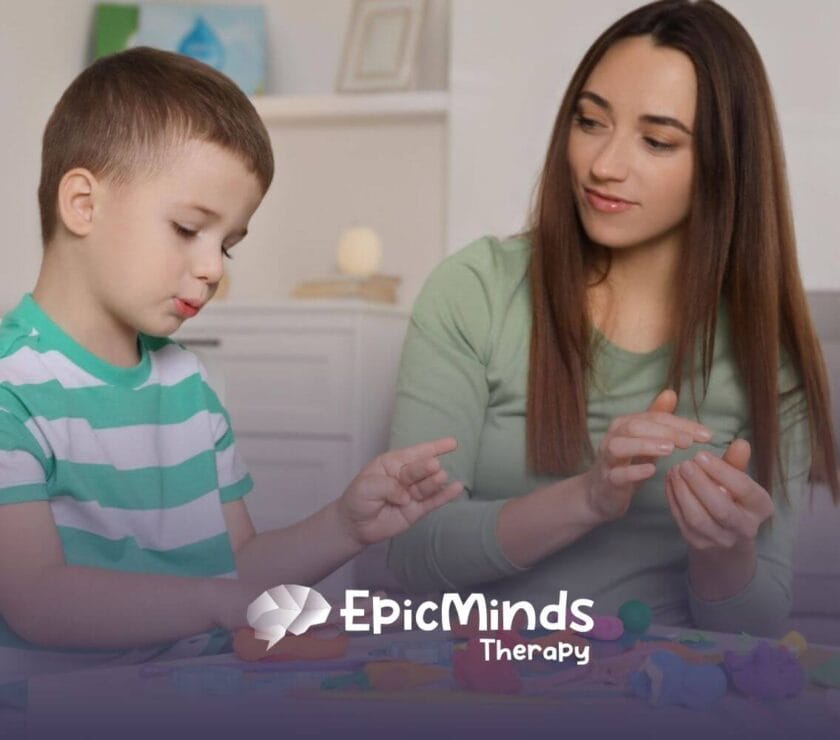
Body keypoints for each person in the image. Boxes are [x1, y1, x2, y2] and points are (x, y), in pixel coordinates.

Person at [0, 47, 462, 681]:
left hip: (198, 693)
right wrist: (218, 603)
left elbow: (237, 567)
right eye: (189, 228)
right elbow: (37, 600)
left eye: (229, 246)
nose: (213, 268)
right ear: (83, 203)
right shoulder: (12, 389)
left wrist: (345, 525)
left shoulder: (186, 383)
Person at [387, 0, 838, 637]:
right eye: (590, 121)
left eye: (656, 141)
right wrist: (589, 498)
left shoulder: (768, 346)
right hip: (483, 674)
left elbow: (759, 619)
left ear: (725, 164)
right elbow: (408, 553)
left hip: (665, 690)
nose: (604, 165)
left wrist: (724, 554)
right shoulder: (477, 290)